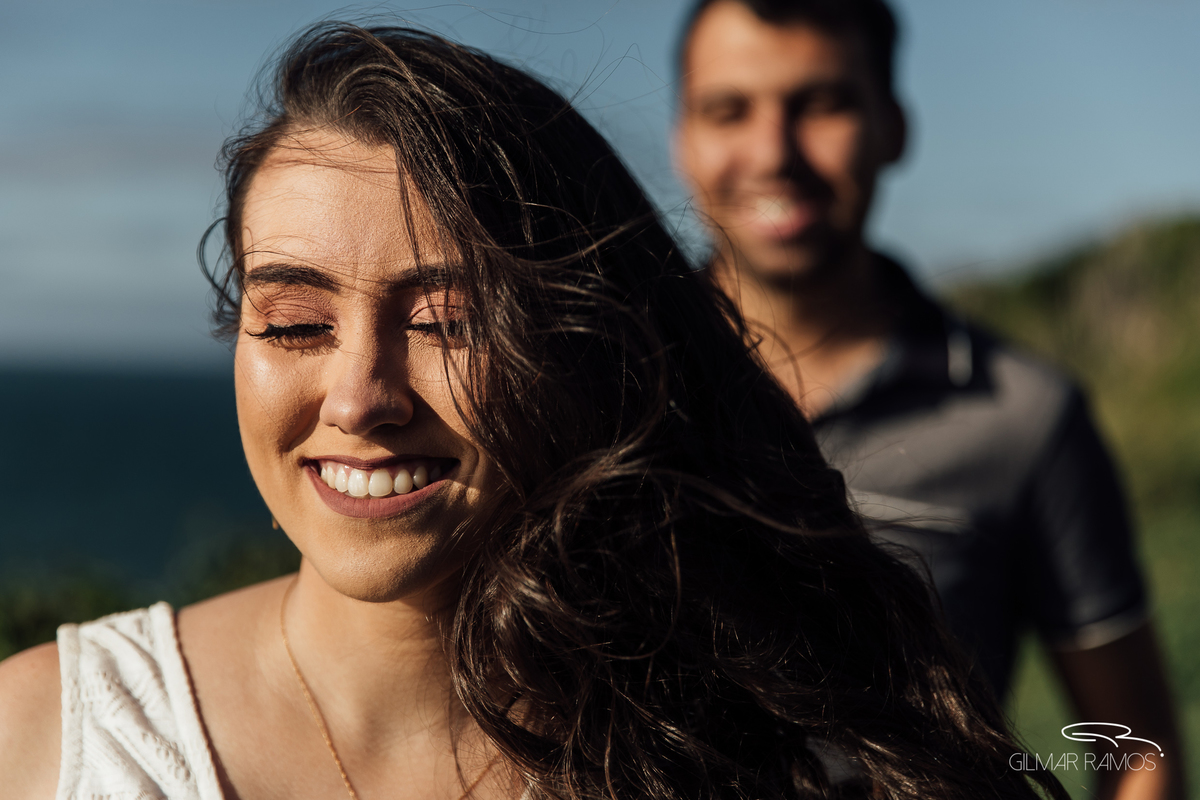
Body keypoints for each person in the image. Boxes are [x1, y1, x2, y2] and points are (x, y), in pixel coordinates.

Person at [0, 22, 1064, 800]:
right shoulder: (47, 738)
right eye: (295, 324)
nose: (361, 397)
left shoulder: (747, 754)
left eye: (449, 322)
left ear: (581, 347)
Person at [671, 0, 1184, 796]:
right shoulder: (599, 388)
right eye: (729, 110)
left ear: (895, 127)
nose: (773, 152)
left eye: (822, 103)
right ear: (683, 138)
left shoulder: (1024, 417)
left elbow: (1139, 752)